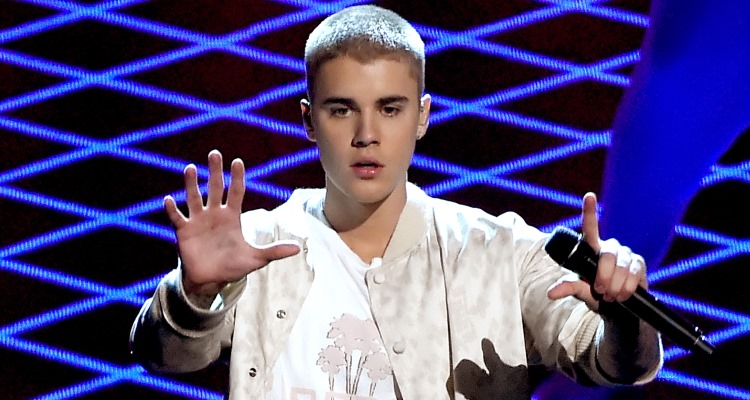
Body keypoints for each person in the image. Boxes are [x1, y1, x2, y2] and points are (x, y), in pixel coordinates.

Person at [129, 5, 663, 400]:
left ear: (422, 116)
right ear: (308, 119)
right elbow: (166, 358)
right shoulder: (256, 247)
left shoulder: (501, 253)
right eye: (342, 110)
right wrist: (194, 294)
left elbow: (612, 363)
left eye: (390, 109)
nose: (367, 135)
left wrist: (625, 317)